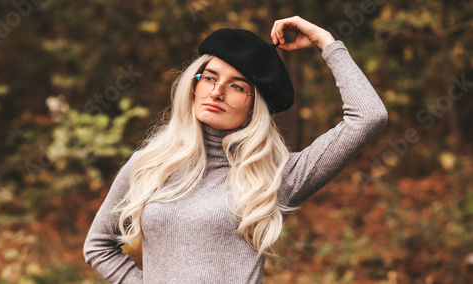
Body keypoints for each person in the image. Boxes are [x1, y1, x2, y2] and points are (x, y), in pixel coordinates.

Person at [83, 16, 387, 283]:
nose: (217, 91)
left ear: (256, 106)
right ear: (193, 85)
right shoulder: (148, 164)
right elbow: (98, 247)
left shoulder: (275, 177)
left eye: (237, 86)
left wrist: (326, 42)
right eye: (210, 78)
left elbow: (368, 116)